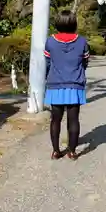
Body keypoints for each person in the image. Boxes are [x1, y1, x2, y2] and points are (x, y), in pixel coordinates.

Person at [44, 10, 90, 160]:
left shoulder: (50, 41)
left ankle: (56, 151)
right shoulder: (82, 41)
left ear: (58, 23)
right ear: (74, 23)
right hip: (75, 84)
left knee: (55, 120)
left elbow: (48, 63)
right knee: (73, 119)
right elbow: (85, 62)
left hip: (55, 84)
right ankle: (72, 151)